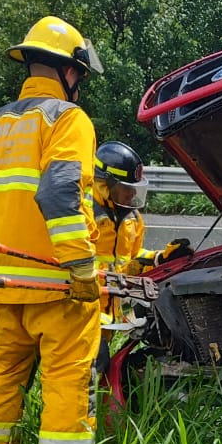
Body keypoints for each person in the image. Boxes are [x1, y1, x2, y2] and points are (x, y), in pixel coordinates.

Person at [0, 15, 104, 444]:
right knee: (66, 383)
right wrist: (82, 271)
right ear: (70, 71)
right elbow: (59, 196)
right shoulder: (67, 119)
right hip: (57, 286)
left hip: (3, 284)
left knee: (2, 375)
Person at [93, 139, 193, 325]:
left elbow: (131, 259)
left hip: (112, 314)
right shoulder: (81, 211)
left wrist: (160, 259)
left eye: (134, 189)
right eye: (126, 188)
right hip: (82, 311)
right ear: (106, 183)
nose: (132, 194)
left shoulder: (132, 218)